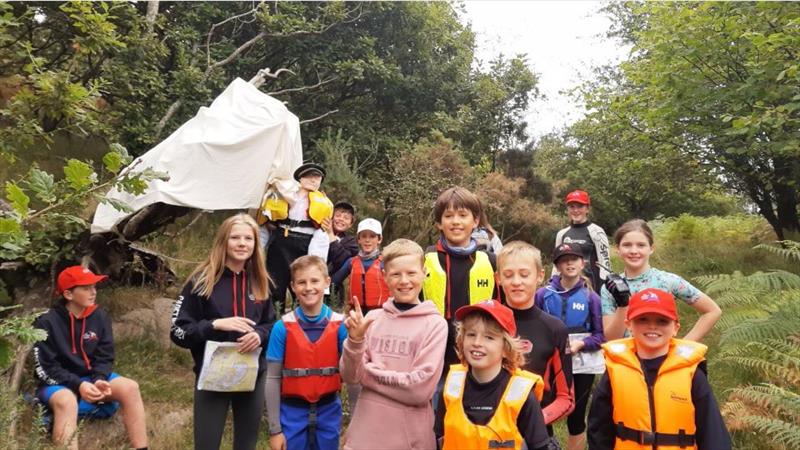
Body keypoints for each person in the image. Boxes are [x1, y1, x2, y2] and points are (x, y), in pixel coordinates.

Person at [170, 213, 275, 450]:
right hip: (213, 374)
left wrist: (259, 335)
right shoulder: (201, 281)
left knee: (246, 445)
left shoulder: (261, 281)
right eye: (235, 237)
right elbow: (177, 331)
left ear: (256, 244)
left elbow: (272, 325)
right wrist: (214, 325)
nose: (242, 243)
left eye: (248, 238)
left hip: (253, 373)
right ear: (223, 242)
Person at [587, 288, 732, 449]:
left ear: (675, 327)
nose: (652, 327)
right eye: (642, 319)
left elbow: (712, 433)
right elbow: (598, 430)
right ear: (629, 325)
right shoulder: (616, 370)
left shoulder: (692, 373)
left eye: (662, 321)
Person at [340, 239, 448, 450]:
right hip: (364, 438)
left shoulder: (435, 325)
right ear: (385, 277)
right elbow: (351, 377)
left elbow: (419, 390)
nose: (404, 280)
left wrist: (368, 373)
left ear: (424, 273)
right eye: (396, 274)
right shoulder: (373, 319)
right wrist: (355, 341)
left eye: (411, 273)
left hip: (411, 440)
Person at [33, 266, 148, 450]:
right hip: (56, 383)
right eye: (86, 288)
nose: (93, 292)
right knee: (67, 400)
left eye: (94, 286)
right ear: (69, 294)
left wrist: (99, 379)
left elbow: (105, 356)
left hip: (91, 379)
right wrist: (78, 385)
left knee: (130, 387)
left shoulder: (100, 316)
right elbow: (46, 368)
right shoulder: (46, 322)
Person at [435, 300, 552, 450]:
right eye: (471, 334)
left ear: (506, 348)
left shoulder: (522, 396)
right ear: (461, 340)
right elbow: (439, 440)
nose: (477, 342)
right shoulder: (450, 387)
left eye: (489, 337)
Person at [265, 256, 347, 450]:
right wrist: (275, 430)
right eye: (301, 282)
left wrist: (356, 428)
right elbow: (272, 378)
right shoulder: (282, 327)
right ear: (293, 286)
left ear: (327, 283)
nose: (308, 287)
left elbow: (354, 377)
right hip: (292, 411)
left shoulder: (341, 325)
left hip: (329, 409)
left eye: (314, 281)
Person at [497, 241, 574, 441]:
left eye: (524, 274)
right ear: (497, 279)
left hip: (536, 435)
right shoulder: (485, 324)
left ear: (540, 276)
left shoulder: (554, 329)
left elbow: (566, 398)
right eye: (508, 275)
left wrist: (536, 419)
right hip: (489, 432)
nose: (516, 282)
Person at [600, 219, 722, 341]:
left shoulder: (668, 281)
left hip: (664, 358)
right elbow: (611, 338)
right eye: (627, 245)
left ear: (651, 248)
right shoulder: (610, 287)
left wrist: (682, 348)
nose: (634, 251)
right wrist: (623, 304)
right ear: (618, 249)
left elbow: (712, 311)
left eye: (641, 245)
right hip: (625, 358)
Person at [422, 186, 499, 374]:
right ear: (439, 223)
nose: (455, 222)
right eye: (448, 216)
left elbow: (500, 309)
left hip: (476, 354)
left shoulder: (490, 261)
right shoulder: (426, 258)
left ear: (475, 221)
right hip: (433, 352)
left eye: (463, 215)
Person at [535, 243, 605, 450]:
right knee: (544, 408)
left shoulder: (592, 297)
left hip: (581, 364)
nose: (569, 263)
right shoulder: (542, 295)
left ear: (582, 263)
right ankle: (546, 445)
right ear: (557, 266)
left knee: (576, 415)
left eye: (574, 259)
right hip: (550, 362)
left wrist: (581, 344)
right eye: (564, 260)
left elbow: (601, 336)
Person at [265, 162, 334, 314]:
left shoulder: (324, 203)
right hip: (281, 240)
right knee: (275, 284)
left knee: (302, 284)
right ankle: (274, 320)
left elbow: (322, 233)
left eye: (317, 177)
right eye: (309, 176)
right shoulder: (286, 194)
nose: (313, 180)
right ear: (300, 178)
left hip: (305, 243)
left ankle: (301, 320)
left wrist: (316, 259)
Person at [552, 190, 611, 293]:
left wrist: (603, 290)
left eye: (580, 206)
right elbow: (556, 263)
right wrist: (552, 283)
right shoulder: (562, 234)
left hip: (592, 287)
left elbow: (605, 263)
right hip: (567, 287)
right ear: (567, 209)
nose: (576, 210)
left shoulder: (597, 232)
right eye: (572, 207)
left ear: (587, 209)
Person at [332, 218, 390, 314]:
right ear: (358, 239)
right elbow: (334, 281)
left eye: (372, 236)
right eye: (363, 236)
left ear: (379, 239)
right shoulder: (351, 262)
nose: (367, 240)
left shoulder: (386, 262)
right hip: (357, 312)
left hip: (381, 313)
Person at [324, 201, 359, 305]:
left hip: (333, 290)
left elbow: (340, 260)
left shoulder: (351, 242)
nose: (341, 220)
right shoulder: (318, 233)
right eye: (338, 215)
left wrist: (330, 234)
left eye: (346, 218)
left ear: (351, 224)